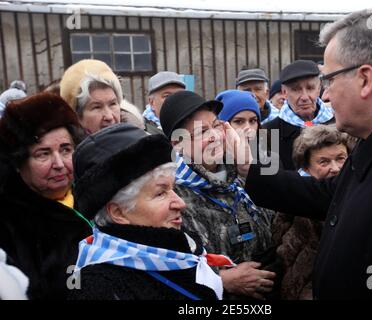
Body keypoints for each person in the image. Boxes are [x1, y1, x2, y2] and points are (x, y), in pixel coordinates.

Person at [242, 6, 372, 299]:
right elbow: (331, 195)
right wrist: (248, 169)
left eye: (328, 80)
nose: (323, 95)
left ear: (365, 79)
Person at [70, 124, 225, 300]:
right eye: (160, 193)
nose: (180, 203)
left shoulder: (179, 252)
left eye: (173, 188)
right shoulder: (99, 289)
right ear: (119, 213)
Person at [160, 91, 276, 299]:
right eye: (202, 131)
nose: (214, 136)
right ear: (177, 144)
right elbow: (166, 269)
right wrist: (222, 281)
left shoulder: (242, 177)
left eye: (216, 126)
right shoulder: (171, 197)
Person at [0, 92, 91, 299]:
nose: (59, 164)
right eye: (44, 153)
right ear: (18, 162)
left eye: (66, 150)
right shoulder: (8, 224)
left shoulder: (93, 200)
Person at [272, 124, 353, 299]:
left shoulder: (359, 198)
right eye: (324, 161)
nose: (336, 168)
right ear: (306, 168)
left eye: (341, 158)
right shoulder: (297, 209)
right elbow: (294, 271)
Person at [263, 60, 334, 170]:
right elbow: (266, 180)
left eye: (310, 88)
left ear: (319, 88)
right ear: (284, 92)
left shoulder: (337, 124)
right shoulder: (267, 133)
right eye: (296, 89)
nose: (304, 97)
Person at [60, 59, 122, 134]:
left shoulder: (137, 142)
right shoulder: (62, 144)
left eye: (113, 104)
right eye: (97, 107)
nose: (109, 117)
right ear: (77, 117)